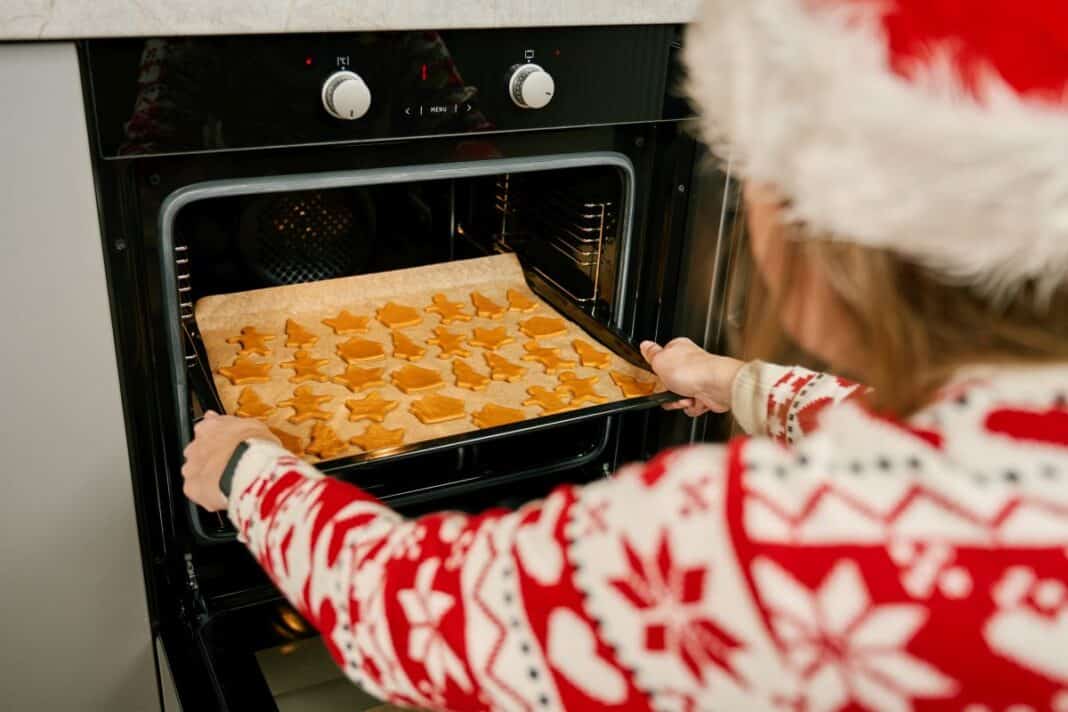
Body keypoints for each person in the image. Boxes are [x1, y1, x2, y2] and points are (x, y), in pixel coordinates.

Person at [182, 1, 1068, 709]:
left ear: (822, 231)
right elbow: (933, 445)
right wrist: (740, 384)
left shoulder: (748, 550)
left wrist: (250, 472)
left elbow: (413, 620)